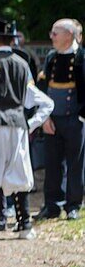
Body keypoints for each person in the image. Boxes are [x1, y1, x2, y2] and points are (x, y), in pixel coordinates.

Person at [0, 18, 54, 238]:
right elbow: (44, 101)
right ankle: (24, 223)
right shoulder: (22, 64)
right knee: (19, 172)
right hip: (18, 125)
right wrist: (30, 124)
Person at [35, 18, 84, 220]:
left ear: (69, 35)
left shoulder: (81, 58)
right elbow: (44, 89)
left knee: (75, 163)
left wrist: (82, 117)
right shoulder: (51, 57)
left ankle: (73, 205)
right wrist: (44, 117)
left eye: (56, 33)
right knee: (52, 164)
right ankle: (52, 204)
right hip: (52, 119)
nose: (52, 37)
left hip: (74, 119)